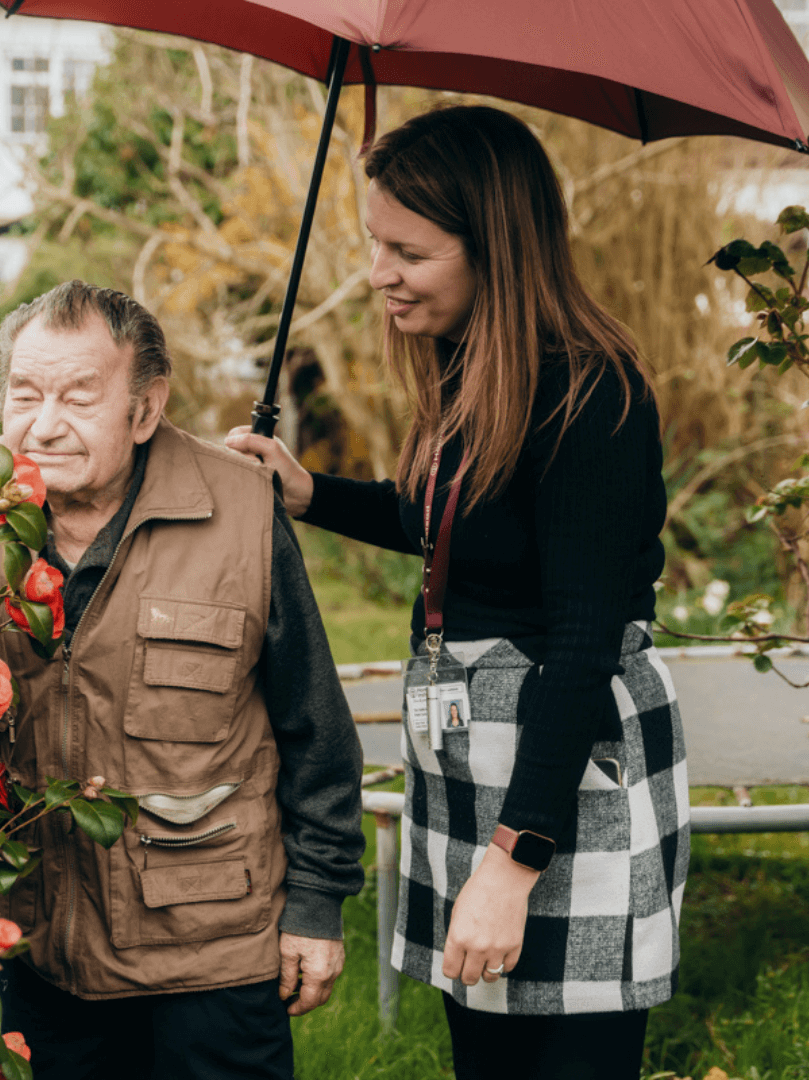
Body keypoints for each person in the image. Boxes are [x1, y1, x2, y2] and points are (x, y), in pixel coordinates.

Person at [227, 105, 689, 1079]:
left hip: (564, 769)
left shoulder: (589, 395)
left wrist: (514, 861)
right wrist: (307, 492)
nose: (377, 273)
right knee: (487, 1055)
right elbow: (450, 524)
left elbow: (582, 644)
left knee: (566, 1059)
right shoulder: (474, 367)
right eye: (373, 244)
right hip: (469, 760)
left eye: (409, 252)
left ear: (496, 247)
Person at [0, 280, 365, 1080]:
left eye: (79, 397)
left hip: (211, 952)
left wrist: (318, 903)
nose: (44, 425)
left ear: (146, 409)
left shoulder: (242, 510)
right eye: (24, 394)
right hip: (32, 941)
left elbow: (315, 727)